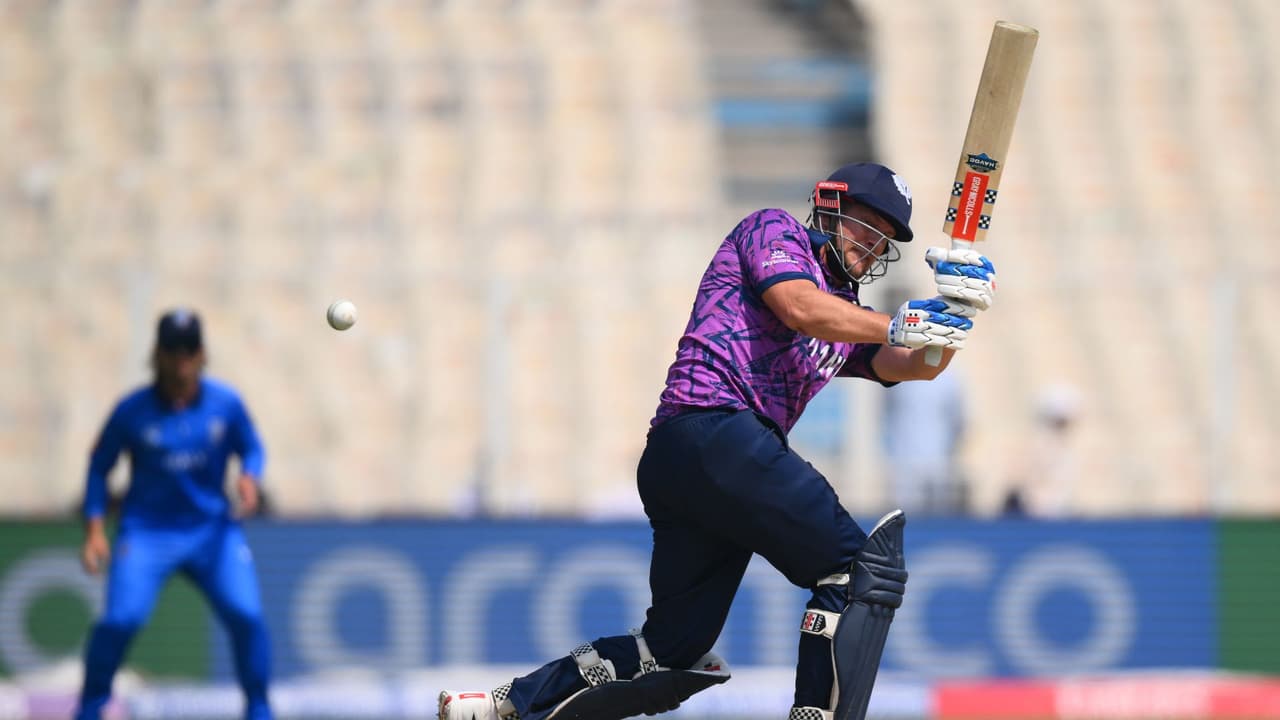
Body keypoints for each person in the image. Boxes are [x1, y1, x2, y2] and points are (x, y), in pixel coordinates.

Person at [438, 163, 996, 720]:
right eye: (866, 227)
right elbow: (800, 307)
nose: (872, 248)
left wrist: (956, 313)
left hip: (692, 464)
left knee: (671, 651)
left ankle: (502, 707)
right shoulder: (774, 230)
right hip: (716, 430)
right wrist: (899, 323)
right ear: (829, 206)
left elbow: (916, 365)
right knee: (855, 573)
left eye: (884, 240)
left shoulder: (846, 314)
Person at [75, 309, 273, 720]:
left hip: (212, 532)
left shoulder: (225, 403)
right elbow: (99, 467)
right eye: (172, 349)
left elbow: (252, 447)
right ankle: (89, 710)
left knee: (247, 615)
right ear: (157, 354)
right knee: (121, 620)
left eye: (189, 349)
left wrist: (249, 477)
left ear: (202, 354)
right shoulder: (132, 411)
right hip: (147, 532)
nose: (181, 359)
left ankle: (258, 710)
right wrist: (94, 529)